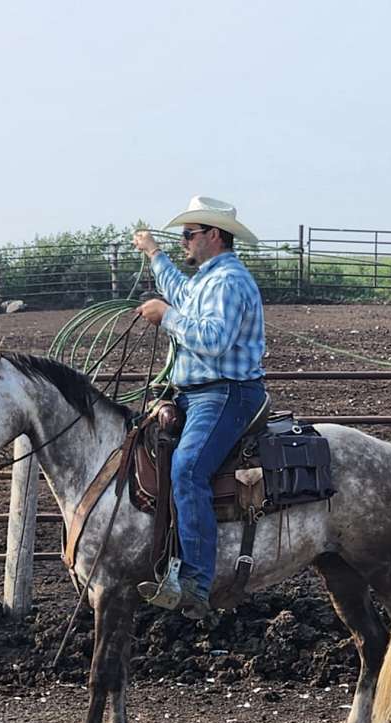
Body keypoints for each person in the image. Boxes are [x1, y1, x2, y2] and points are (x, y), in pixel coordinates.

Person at [132, 196, 266, 618]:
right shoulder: (209, 279)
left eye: (188, 235)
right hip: (197, 392)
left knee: (188, 468)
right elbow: (181, 291)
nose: (183, 242)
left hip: (225, 393)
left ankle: (196, 583)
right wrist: (154, 254)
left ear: (213, 236)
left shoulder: (228, 281)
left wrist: (166, 316)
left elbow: (213, 339)